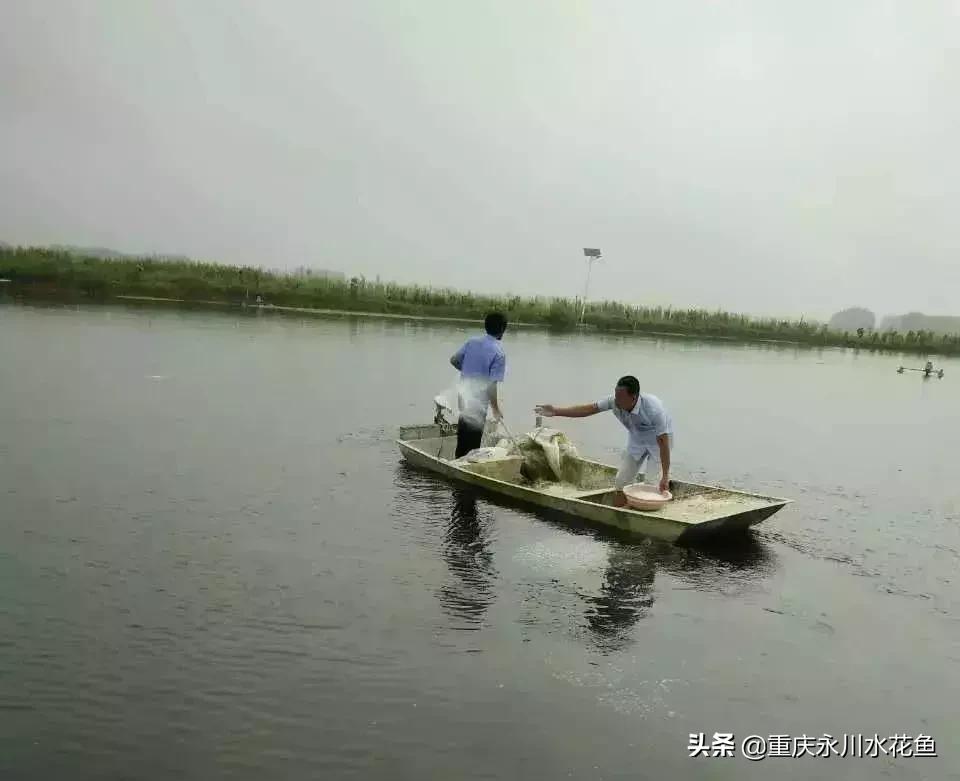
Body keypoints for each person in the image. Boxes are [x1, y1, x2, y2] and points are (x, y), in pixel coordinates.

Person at [535, 375, 673, 506]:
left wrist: (665, 475)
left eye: (621, 397)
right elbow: (588, 409)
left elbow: (664, 443)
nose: (616, 400)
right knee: (621, 482)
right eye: (616, 395)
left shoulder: (654, 409)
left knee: (651, 485)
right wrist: (556, 411)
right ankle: (620, 511)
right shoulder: (614, 401)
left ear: (634, 397)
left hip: (659, 443)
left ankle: (650, 506)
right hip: (636, 439)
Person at [449, 312, 508, 459]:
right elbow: (491, 385)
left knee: (462, 439)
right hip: (478, 403)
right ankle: (466, 467)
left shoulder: (472, 342)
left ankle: (457, 463)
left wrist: (468, 371)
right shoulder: (499, 353)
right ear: (502, 329)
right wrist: (495, 408)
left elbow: (454, 360)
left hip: (463, 396)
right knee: (473, 444)